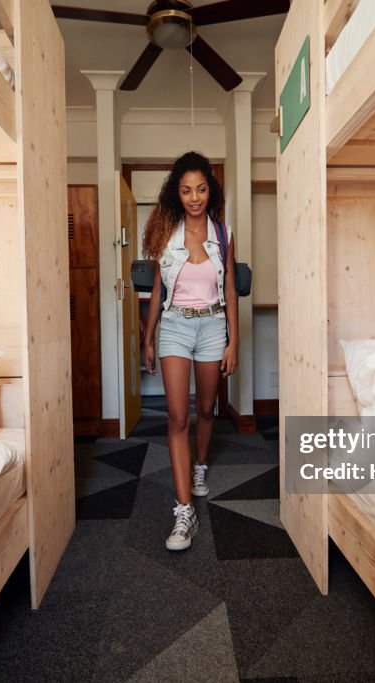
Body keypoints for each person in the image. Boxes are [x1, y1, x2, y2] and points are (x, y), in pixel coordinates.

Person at [142, 151, 239, 551]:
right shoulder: (166, 233)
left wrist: (234, 341)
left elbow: (229, 287)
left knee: (206, 409)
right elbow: (157, 291)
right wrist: (148, 338)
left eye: (200, 189)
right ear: (176, 194)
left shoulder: (223, 234)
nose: (194, 198)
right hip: (176, 327)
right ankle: (184, 511)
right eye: (186, 191)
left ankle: (200, 465)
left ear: (209, 191)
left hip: (213, 325)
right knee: (178, 417)